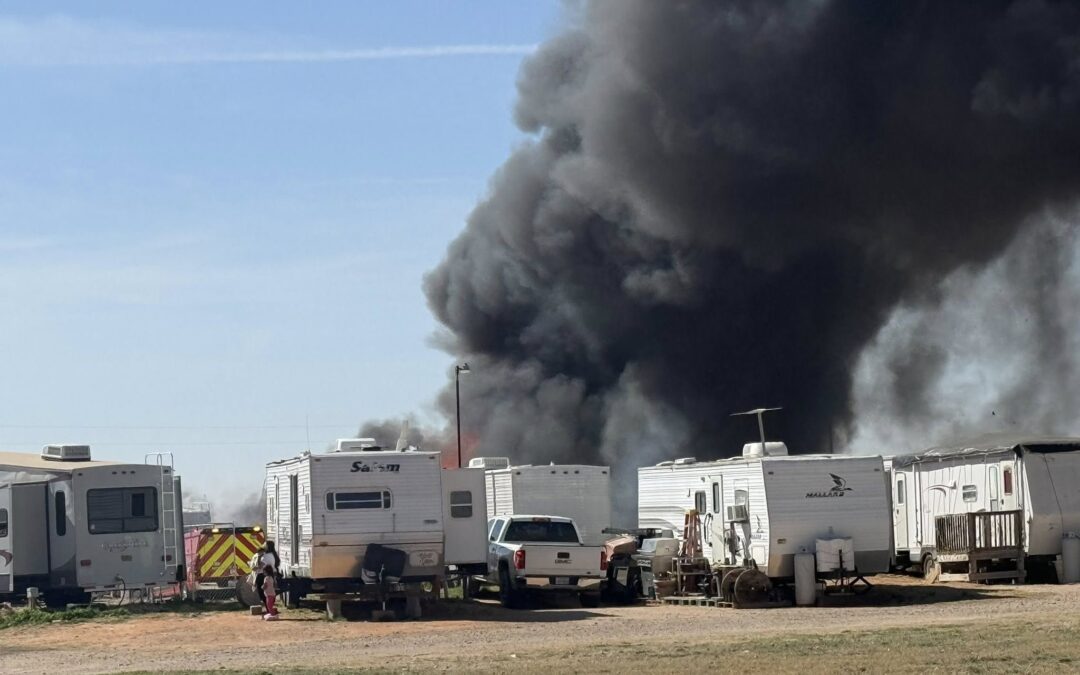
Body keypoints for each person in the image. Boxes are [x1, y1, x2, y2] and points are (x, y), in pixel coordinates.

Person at [253, 541, 280, 610]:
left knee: (263, 593)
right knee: (269, 592)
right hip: (271, 574)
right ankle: (269, 608)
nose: (263, 545)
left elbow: (260, 566)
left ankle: (269, 609)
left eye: (264, 544)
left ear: (267, 546)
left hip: (263, 575)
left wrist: (254, 567)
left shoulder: (266, 556)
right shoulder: (272, 554)